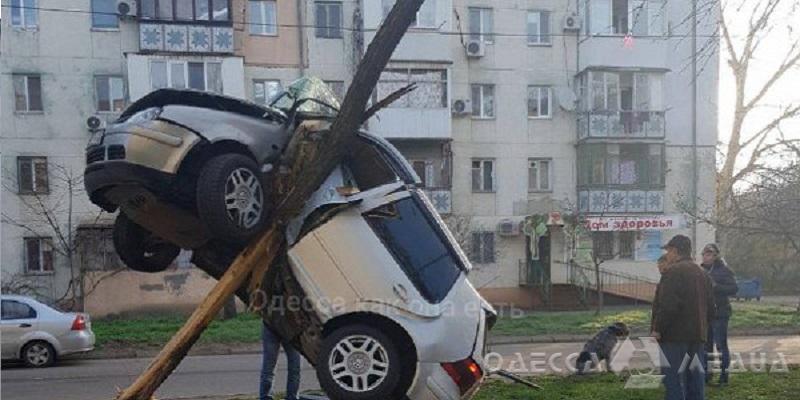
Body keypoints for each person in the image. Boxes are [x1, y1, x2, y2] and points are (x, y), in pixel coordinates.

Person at [650, 235, 715, 400]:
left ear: (675, 251)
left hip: (674, 337)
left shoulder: (672, 272)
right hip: (697, 336)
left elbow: (668, 306)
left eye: (669, 251)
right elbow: (711, 308)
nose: (668, 256)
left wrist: (657, 328)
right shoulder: (703, 273)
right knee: (695, 380)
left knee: (674, 381)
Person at [700, 243, 738, 386]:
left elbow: (734, 288)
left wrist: (716, 286)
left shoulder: (724, 270)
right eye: (704, 253)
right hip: (705, 314)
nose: (705, 256)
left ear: (716, 256)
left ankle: (724, 377)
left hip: (720, 313)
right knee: (705, 347)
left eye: (709, 253)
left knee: (721, 346)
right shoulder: (700, 270)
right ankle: (707, 375)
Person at [260, 322, 301, 400]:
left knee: (295, 367)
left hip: (291, 328)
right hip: (271, 327)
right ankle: (266, 397)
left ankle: (292, 397)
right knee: (268, 368)